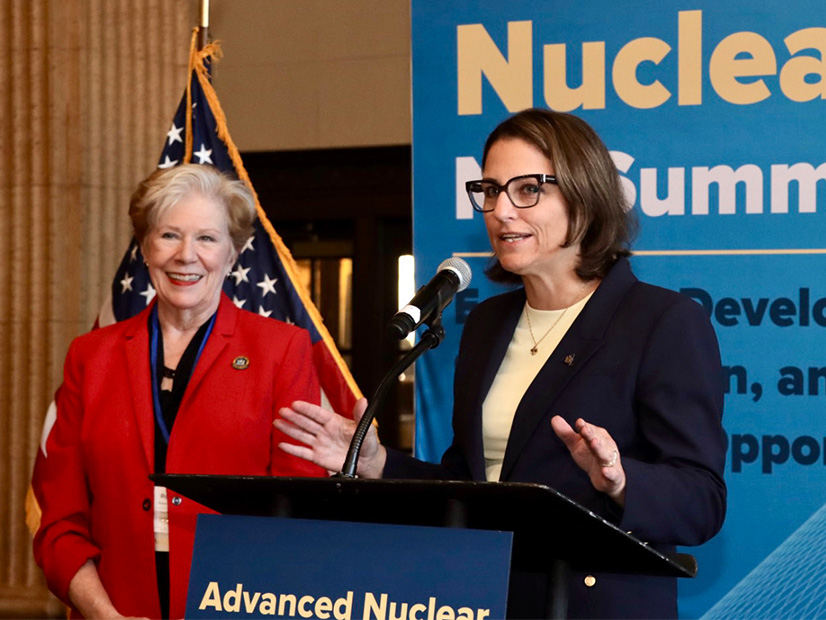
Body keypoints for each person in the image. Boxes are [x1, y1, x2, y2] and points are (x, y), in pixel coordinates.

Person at [275, 109, 727, 619]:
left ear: (585, 195)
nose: (501, 210)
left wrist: (622, 481)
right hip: (484, 599)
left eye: (528, 189)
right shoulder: (488, 324)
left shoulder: (661, 322)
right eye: (491, 190)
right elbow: (473, 485)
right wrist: (378, 464)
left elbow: (702, 500)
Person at [31, 164, 327, 619]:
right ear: (146, 248)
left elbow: (297, 510)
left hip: (236, 606)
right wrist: (103, 613)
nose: (186, 255)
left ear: (232, 254)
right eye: (169, 235)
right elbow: (59, 521)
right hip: (113, 606)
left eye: (207, 238)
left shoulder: (280, 351)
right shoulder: (91, 356)